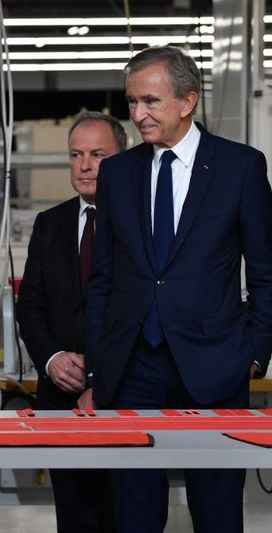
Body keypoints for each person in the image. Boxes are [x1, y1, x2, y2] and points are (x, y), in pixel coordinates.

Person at [85, 45, 272, 533]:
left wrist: (253, 352)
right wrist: (100, 365)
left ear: (187, 101)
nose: (138, 115)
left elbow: (267, 272)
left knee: (216, 510)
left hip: (215, 365)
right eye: (132, 102)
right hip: (132, 368)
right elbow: (103, 277)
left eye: (151, 102)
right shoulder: (118, 173)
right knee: (134, 513)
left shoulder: (240, 168)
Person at [16, 111, 125, 533]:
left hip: (121, 397)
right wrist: (53, 357)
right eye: (76, 154)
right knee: (74, 514)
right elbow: (30, 306)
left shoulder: (140, 226)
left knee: (125, 513)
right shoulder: (50, 224)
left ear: (122, 159)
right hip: (60, 399)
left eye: (98, 154)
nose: (85, 165)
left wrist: (101, 377)